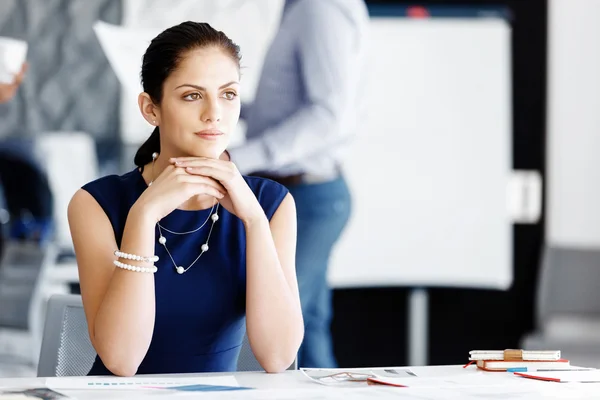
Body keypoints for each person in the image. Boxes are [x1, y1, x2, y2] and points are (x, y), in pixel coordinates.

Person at [67, 21, 304, 377]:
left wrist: (254, 221)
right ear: (151, 108)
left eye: (228, 94)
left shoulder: (270, 205)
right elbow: (121, 360)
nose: (214, 113)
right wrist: (143, 215)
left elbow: (277, 357)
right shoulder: (96, 203)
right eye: (193, 95)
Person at [227, 0, 369, 368]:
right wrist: (223, 103)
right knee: (310, 327)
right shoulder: (305, 7)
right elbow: (292, 105)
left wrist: (237, 159)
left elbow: (328, 115)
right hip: (307, 192)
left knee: (276, 330)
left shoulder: (320, 8)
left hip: (307, 195)